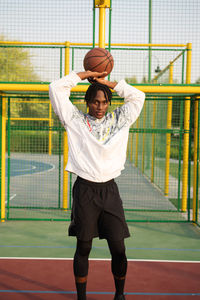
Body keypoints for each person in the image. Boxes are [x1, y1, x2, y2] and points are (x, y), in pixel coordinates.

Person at [49, 70, 145, 300]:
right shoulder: (74, 120)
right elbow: (55, 88)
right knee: (84, 248)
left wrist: (107, 83)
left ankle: (119, 295)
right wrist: (83, 75)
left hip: (110, 191)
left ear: (109, 103)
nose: (100, 107)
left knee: (119, 248)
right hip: (85, 191)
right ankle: (81, 298)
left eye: (104, 102)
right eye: (95, 102)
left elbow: (138, 96)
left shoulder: (121, 118)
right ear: (88, 102)